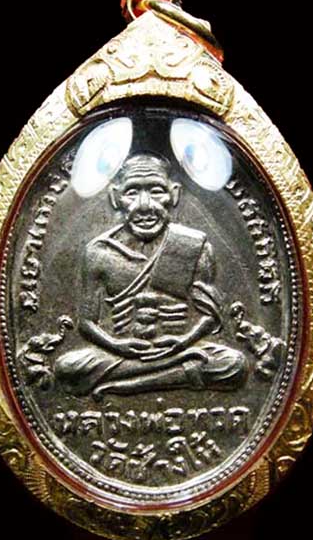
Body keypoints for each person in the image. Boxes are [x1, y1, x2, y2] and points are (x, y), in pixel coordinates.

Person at [55, 153, 248, 399]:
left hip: (179, 349)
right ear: (115, 197)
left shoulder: (193, 245)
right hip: (121, 353)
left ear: (174, 194)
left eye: (156, 191)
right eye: (132, 192)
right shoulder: (98, 252)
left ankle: (126, 385)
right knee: (67, 368)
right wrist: (118, 346)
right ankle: (170, 376)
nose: (145, 205)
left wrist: (183, 342)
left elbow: (210, 315)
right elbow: (87, 323)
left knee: (234, 364)